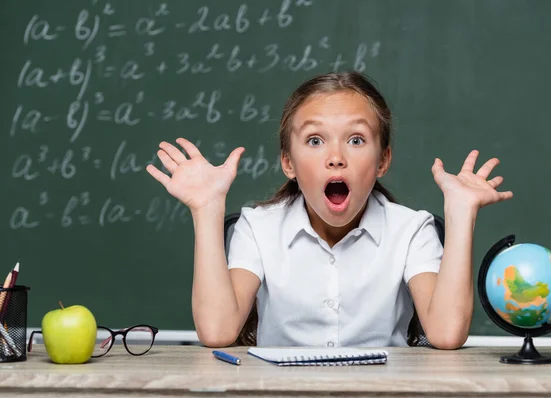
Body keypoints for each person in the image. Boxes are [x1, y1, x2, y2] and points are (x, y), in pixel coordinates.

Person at [146, 71, 513, 349]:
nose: (336, 158)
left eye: (356, 140)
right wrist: (207, 208)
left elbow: (447, 334)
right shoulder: (257, 228)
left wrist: (462, 212)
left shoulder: (411, 230)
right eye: (315, 140)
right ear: (288, 162)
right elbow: (217, 331)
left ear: (383, 159)